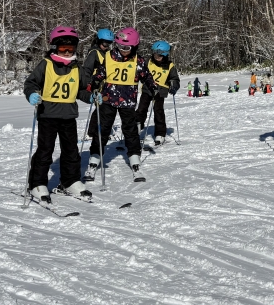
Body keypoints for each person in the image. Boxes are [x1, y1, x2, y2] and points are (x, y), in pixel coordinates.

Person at [24, 26, 96, 201]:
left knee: (71, 150)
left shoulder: (76, 68)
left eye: (71, 48)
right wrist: (32, 94)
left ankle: (70, 181)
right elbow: (31, 83)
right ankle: (37, 184)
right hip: (48, 115)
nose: (67, 52)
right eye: (63, 48)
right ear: (55, 47)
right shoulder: (46, 64)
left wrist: (91, 97)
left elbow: (81, 90)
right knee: (45, 150)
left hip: (68, 116)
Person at [87, 27, 156, 179]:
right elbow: (100, 73)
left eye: (126, 48)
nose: (123, 50)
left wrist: (153, 87)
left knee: (130, 131)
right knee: (102, 130)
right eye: (119, 46)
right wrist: (94, 83)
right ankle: (94, 160)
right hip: (108, 100)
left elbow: (147, 76)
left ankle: (135, 160)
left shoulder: (138, 61)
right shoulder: (109, 57)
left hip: (128, 101)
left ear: (134, 47)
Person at [136, 40, 179, 146]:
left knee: (158, 111)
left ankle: (160, 133)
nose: (157, 57)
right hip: (147, 89)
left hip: (161, 91)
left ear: (165, 55)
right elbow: (140, 72)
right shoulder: (148, 62)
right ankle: (137, 128)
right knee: (141, 109)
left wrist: (173, 85)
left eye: (159, 55)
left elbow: (175, 79)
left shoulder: (169, 66)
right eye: (155, 54)